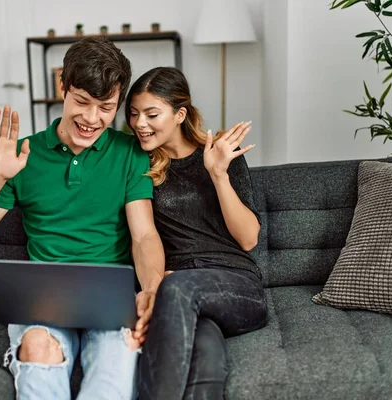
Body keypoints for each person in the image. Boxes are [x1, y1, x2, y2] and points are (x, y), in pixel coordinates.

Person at [0, 37, 165, 400]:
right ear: (62, 87)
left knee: (117, 363)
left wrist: (151, 289)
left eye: (106, 107)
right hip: (43, 302)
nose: (92, 118)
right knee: (37, 346)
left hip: (111, 301)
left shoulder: (131, 154)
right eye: (82, 102)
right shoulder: (24, 155)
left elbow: (144, 237)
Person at [126, 67, 268, 400]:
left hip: (236, 286)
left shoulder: (220, 153)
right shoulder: (139, 164)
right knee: (205, 351)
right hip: (180, 293)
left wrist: (218, 174)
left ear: (180, 114)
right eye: (133, 114)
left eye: (151, 114)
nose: (139, 123)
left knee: (174, 287)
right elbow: (145, 237)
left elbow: (248, 239)